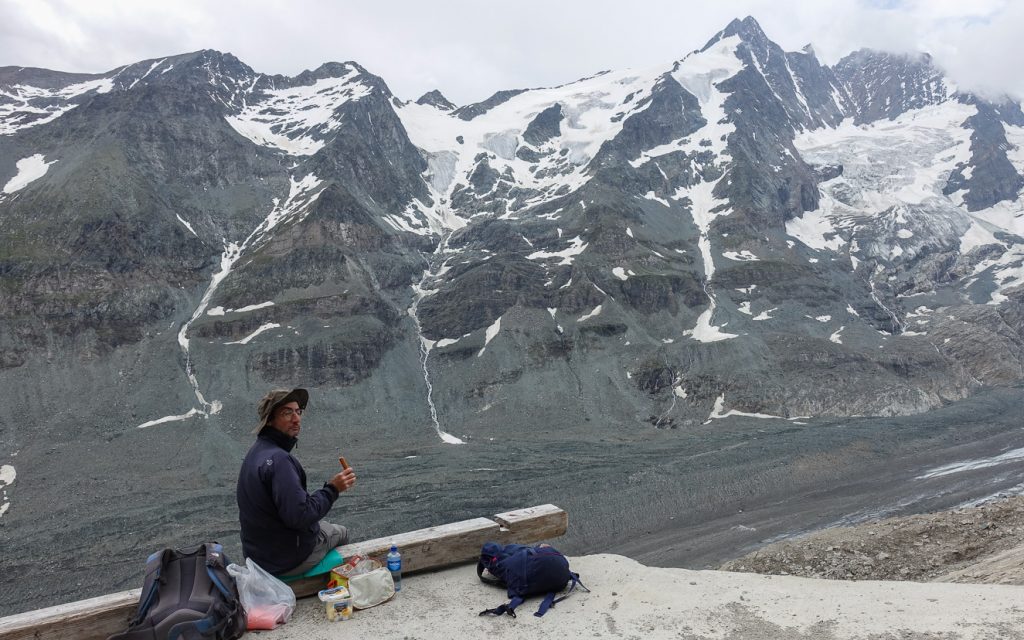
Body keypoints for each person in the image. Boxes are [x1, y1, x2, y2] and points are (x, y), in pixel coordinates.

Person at [236, 388, 357, 576]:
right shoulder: (280, 461)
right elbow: (300, 517)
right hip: (285, 560)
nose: (296, 418)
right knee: (340, 532)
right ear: (269, 420)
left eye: (298, 412)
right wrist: (333, 488)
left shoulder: (257, 452)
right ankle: (334, 583)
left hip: (259, 556)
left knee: (323, 527)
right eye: (287, 412)